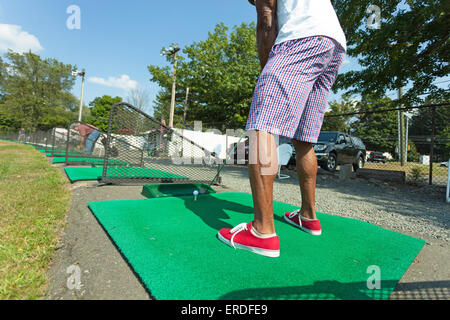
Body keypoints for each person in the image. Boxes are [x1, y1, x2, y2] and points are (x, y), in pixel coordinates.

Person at [217, 0, 347, 257]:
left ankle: (261, 232)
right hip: (334, 44)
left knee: (261, 126)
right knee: (304, 138)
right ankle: (308, 216)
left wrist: (268, 71)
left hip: (302, 37)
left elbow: (267, 22)